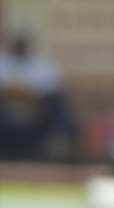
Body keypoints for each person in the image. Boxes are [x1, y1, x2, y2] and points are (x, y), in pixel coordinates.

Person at [0, 31, 78, 162]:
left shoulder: (40, 61)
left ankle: (60, 140)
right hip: (7, 108)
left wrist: (29, 94)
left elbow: (52, 86)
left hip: (35, 108)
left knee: (57, 101)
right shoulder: (3, 60)